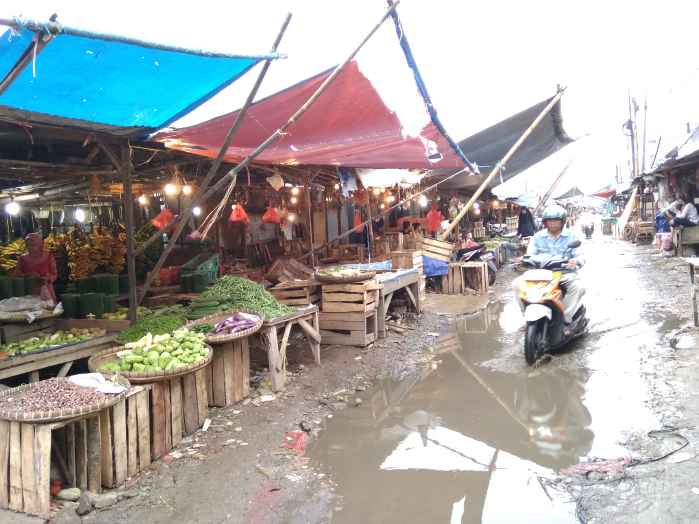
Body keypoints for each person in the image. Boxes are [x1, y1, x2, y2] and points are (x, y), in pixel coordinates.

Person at [513, 205, 584, 330]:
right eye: (549, 221)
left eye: (556, 220)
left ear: (562, 222)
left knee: (578, 287)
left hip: (564, 273)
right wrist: (524, 260)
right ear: (545, 222)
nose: (552, 223)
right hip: (540, 273)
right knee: (517, 284)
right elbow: (530, 254)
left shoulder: (571, 236)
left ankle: (566, 319)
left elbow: (580, 254)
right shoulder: (538, 237)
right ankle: (527, 316)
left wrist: (576, 261)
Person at [16, 233, 58, 304]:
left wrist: (47, 278)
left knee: (48, 311)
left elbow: (54, 274)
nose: (30, 248)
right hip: (29, 292)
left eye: (33, 245)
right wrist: (28, 275)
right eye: (28, 245)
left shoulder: (48, 256)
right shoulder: (23, 258)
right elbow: (17, 274)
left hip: (46, 290)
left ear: (40, 245)